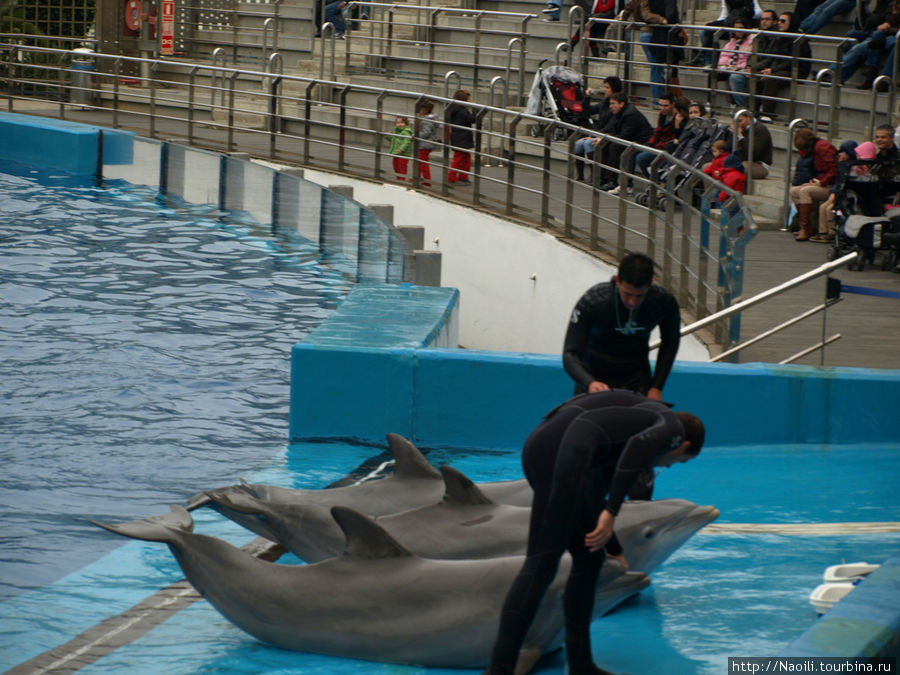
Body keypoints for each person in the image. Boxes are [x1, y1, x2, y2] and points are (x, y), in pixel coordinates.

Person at [484, 389, 705, 675]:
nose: (671, 465)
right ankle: (498, 670)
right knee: (542, 563)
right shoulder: (670, 429)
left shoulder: (624, 434)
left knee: (589, 557)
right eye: (681, 460)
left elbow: (593, 496)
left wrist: (612, 547)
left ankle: (580, 664)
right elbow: (638, 448)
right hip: (562, 452)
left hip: (551, 449)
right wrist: (612, 512)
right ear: (682, 444)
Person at [562, 252, 680, 402]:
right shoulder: (594, 301)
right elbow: (570, 353)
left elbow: (671, 343)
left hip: (636, 377)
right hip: (594, 376)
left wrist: (656, 387)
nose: (632, 302)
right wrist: (589, 382)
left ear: (650, 284)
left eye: (639, 296)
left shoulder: (663, 302)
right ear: (617, 280)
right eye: (627, 294)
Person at [750, 11, 812, 122]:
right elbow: (774, 56)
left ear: (791, 22)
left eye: (783, 21)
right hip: (779, 68)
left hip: (796, 70)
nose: (779, 23)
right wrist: (763, 69)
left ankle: (767, 113)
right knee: (755, 76)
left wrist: (772, 70)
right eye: (779, 20)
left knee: (771, 79)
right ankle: (751, 111)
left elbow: (792, 61)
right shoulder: (779, 37)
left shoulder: (799, 39)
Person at [617, 0, 681, 104]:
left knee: (656, 68)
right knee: (656, 68)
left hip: (647, 34)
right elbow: (646, 15)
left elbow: (626, 10)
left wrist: (624, 19)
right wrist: (661, 19)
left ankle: (660, 100)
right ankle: (658, 101)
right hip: (650, 33)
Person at [595, 92, 654, 191]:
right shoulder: (619, 112)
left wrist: (606, 138)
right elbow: (611, 128)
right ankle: (603, 178)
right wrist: (600, 136)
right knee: (604, 144)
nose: (610, 106)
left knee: (615, 146)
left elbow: (625, 136)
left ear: (621, 104)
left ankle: (612, 181)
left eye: (613, 103)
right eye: (610, 104)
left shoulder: (630, 114)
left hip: (642, 141)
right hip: (632, 139)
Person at [788, 127, 838, 241]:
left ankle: (805, 229)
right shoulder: (816, 148)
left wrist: (821, 182)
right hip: (823, 182)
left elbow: (835, 169)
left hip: (832, 185)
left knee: (805, 191)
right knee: (794, 191)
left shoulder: (822, 147)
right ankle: (806, 226)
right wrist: (815, 181)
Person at [574, 76, 624, 182]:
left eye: (607, 87)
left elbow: (611, 126)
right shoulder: (605, 102)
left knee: (588, 143)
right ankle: (580, 175)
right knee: (578, 144)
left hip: (609, 134)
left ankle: (596, 175)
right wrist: (587, 98)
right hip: (600, 132)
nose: (604, 90)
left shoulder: (617, 105)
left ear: (614, 89)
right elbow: (588, 111)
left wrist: (593, 136)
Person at [686, 0, 762, 67]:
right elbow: (724, 16)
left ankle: (709, 58)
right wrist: (714, 22)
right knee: (708, 28)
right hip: (731, 21)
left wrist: (742, 16)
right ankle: (706, 60)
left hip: (745, 22)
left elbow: (758, 12)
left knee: (734, 28)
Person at [633, 91, 679, 180]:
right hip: (658, 145)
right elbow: (657, 131)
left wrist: (656, 145)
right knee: (633, 152)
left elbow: (674, 137)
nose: (662, 108)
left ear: (673, 104)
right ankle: (628, 184)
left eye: (665, 106)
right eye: (660, 105)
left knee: (641, 158)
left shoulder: (677, 117)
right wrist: (650, 144)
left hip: (667, 148)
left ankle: (655, 182)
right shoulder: (662, 114)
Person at [715, 16, 755, 109]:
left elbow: (748, 59)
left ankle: (740, 105)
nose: (739, 31)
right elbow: (725, 55)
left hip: (742, 69)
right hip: (731, 67)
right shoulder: (732, 41)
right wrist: (724, 64)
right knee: (713, 72)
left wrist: (739, 67)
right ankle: (710, 101)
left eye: (741, 28)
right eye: (736, 29)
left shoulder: (751, 41)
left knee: (734, 77)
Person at [729, 110, 773, 179]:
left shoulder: (760, 129)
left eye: (740, 121)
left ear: (748, 118)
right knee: (712, 165)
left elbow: (753, 153)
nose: (738, 124)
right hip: (742, 160)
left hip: (759, 164)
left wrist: (740, 137)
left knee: (738, 167)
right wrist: (732, 135)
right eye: (735, 122)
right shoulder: (739, 128)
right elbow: (728, 148)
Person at [446, 89, 476, 185]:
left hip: (460, 137)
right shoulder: (462, 111)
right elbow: (472, 119)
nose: (471, 100)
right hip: (462, 137)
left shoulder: (454, 109)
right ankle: (452, 177)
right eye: (469, 98)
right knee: (459, 158)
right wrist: (475, 109)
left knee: (465, 157)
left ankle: (463, 176)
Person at [415, 99, 440, 187]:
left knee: (422, 163)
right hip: (426, 144)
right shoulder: (430, 118)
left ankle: (426, 180)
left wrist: (416, 136)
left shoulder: (426, 120)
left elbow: (426, 132)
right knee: (420, 162)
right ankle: (417, 177)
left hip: (424, 144)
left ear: (425, 110)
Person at [389, 115, 413, 182]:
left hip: (403, 153)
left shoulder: (407, 131)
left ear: (406, 123)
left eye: (402, 122)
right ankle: (398, 179)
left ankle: (401, 179)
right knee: (396, 166)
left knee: (402, 167)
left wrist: (401, 149)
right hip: (396, 152)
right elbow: (393, 140)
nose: (399, 124)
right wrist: (388, 135)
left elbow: (407, 141)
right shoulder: (396, 131)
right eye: (398, 123)